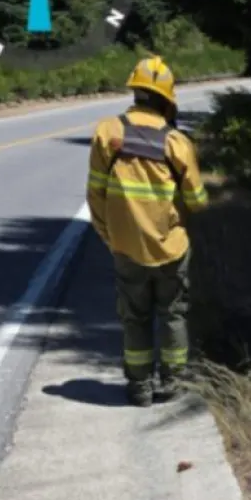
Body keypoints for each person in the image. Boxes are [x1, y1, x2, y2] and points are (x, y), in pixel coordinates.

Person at [86, 55, 209, 406]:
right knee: (172, 314)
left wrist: (109, 236)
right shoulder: (177, 143)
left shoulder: (108, 133)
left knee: (134, 317)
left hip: (125, 247)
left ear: (136, 92)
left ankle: (139, 388)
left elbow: (95, 193)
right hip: (171, 247)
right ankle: (172, 383)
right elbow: (197, 201)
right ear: (168, 99)